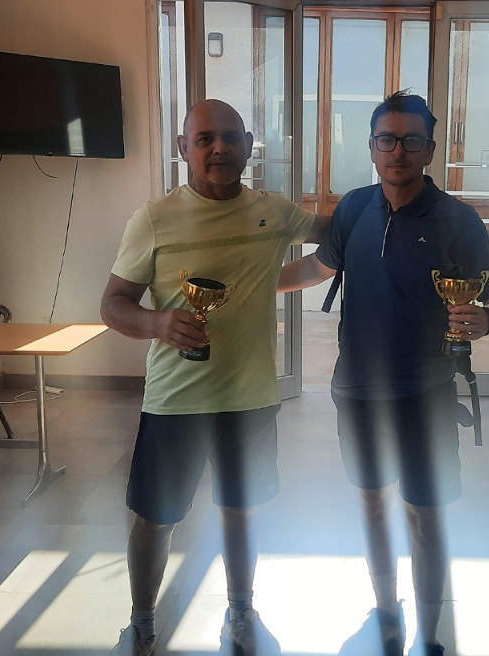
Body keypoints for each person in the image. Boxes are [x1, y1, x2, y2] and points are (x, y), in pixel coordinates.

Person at [278, 90, 489, 656]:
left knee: (426, 516)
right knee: (373, 506)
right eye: (387, 140)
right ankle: (386, 610)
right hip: (355, 391)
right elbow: (319, 267)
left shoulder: (458, 219)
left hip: (426, 393)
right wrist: (248, 286)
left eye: (411, 140)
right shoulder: (354, 208)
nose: (398, 151)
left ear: (429, 149)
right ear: (372, 147)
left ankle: (429, 632)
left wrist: (487, 317)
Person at [101, 99, 328, 656]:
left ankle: (241, 612)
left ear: (249, 145)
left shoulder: (274, 212)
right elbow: (113, 304)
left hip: (250, 398)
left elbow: (335, 242)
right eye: (204, 138)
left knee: (241, 512)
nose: (219, 148)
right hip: (175, 402)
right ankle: (142, 624)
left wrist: (277, 278)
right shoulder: (153, 219)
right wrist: (157, 323)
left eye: (230, 137)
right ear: (184, 148)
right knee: (155, 518)